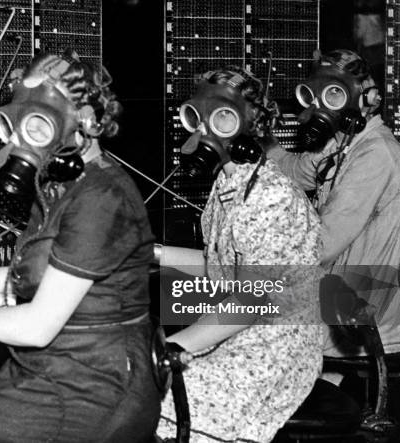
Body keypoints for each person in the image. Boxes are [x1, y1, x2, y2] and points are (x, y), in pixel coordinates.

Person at [0, 52, 161, 442]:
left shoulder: (101, 196)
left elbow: (38, 326)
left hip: (89, 390)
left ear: (86, 124)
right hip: (51, 374)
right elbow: (52, 277)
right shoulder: (61, 185)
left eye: (39, 125)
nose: (20, 141)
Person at [156, 67, 324, 442]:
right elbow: (220, 268)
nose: (202, 132)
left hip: (276, 352)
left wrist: (177, 346)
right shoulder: (229, 182)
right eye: (195, 118)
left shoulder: (270, 196)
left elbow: (252, 299)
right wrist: (151, 253)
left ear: (248, 125)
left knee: (163, 401)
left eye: (219, 118)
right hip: (238, 335)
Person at [266, 49, 400, 356]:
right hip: (344, 295)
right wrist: (263, 139)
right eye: (314, 96)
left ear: (365, 99)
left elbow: (322, 245)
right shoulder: (346, 143)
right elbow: (298, 171)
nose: (319, 107)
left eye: (332, 95)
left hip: (365, 315)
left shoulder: (376, 153)